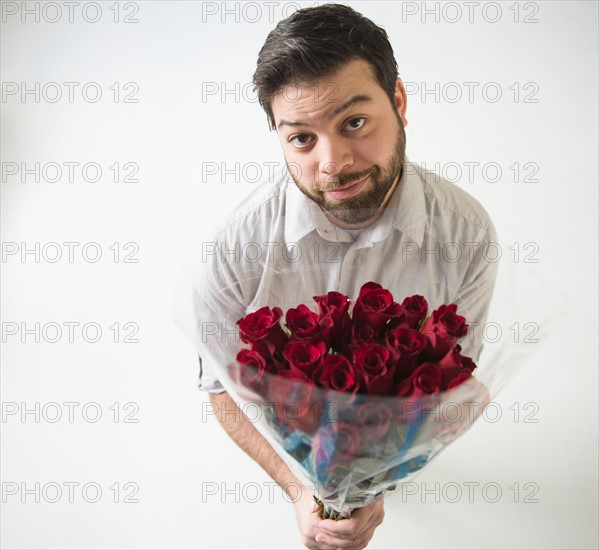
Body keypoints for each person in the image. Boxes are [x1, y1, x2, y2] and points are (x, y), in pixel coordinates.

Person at [174, 4, 497, 549]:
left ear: (397, 101)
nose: (334, 161)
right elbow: (222, 390)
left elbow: (448, 381)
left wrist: (367, 493)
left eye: (354, 122)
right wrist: (306, 496)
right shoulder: (233, 247)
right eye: (302, 138)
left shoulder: (465, 232)